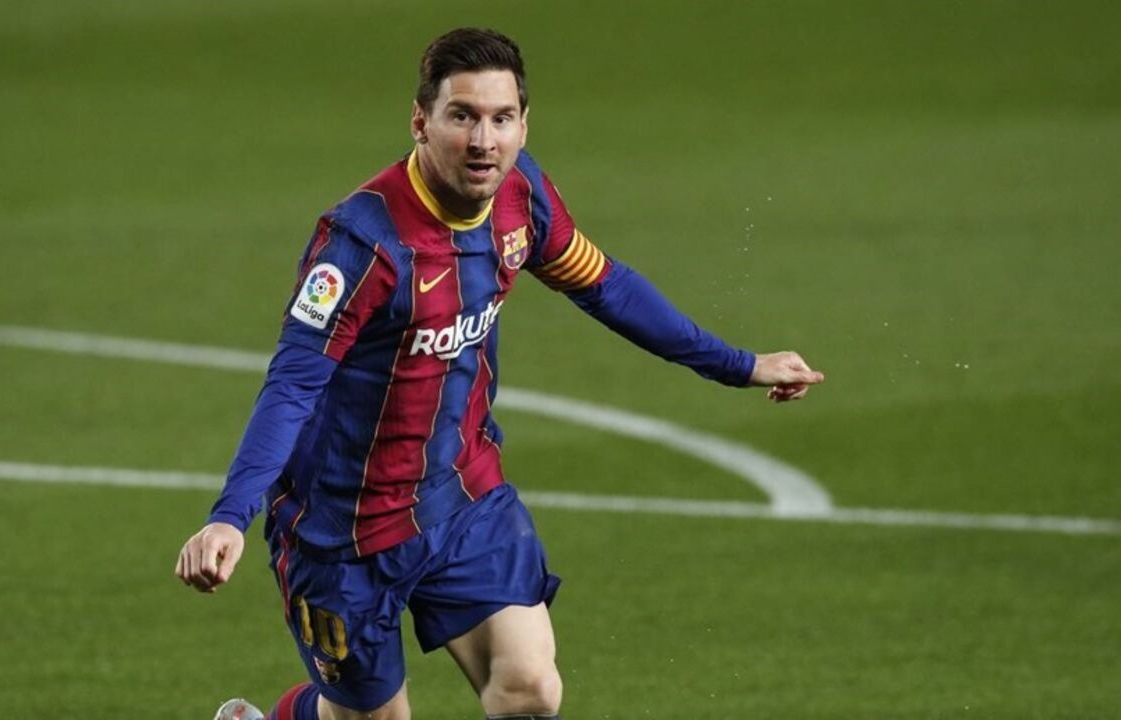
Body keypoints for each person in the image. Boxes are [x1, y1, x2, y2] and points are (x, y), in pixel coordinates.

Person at [175, 27, 824, 720]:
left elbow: (604, 284)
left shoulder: (520, 197)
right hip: (344, 530)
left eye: (501, 118)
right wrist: (230, 517)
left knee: (530, 689)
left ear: (523, 125)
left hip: (463, 498)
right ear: (420, 121)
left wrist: (737, 365)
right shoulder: (361, 246)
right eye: (462, 117)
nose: (483, 141)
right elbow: (293, 385)